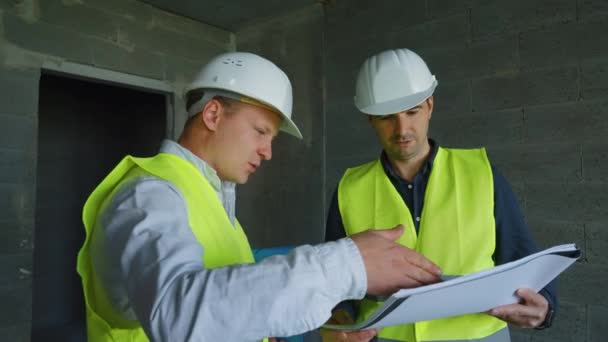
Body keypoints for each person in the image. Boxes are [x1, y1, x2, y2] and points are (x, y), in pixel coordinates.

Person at [76, 51, 443, 342]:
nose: (267, 152)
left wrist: (316, 327)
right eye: (260, 132)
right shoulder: (148, 197)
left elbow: (229, 308)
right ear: (214, 114)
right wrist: (346, 265)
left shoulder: (212, 201)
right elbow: (179, 316)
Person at [321, 48, 557, 342]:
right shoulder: (350, 189)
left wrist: (544, 308)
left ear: (430, 106)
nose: (402, 129)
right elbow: (334, 283)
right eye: (386, 118)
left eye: (412, 111)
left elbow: (524, 259)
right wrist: (339, 320)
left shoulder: (481, 174)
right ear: (370, 119)